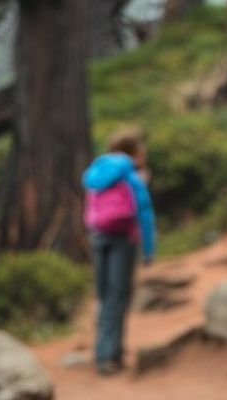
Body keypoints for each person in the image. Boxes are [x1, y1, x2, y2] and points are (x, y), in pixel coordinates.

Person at [82, 130, 157, 376]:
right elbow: (143, 212)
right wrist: (148, 249)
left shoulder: (96, 171)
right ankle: (110, 356)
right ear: (133, 152)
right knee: (118, 297)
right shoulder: (131, 174)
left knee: (104, 298)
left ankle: (101, 352)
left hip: (98, 236)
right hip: (124, 238)